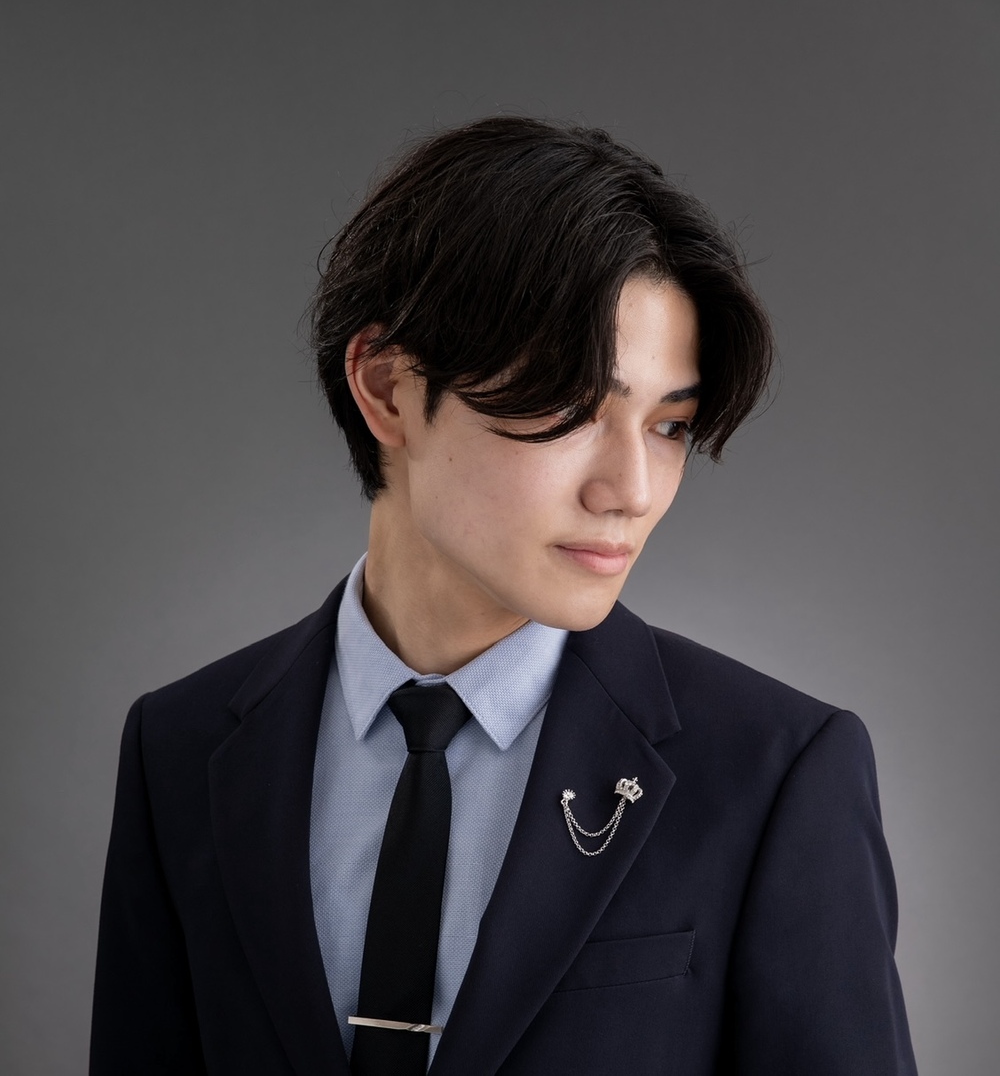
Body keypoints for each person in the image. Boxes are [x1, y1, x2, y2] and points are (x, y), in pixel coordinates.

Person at [90, 116, 918, 1075]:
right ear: (388, 388)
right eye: (572, 408)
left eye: (669, 426)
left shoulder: (776, 772)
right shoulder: (179, 749)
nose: (631, 490)